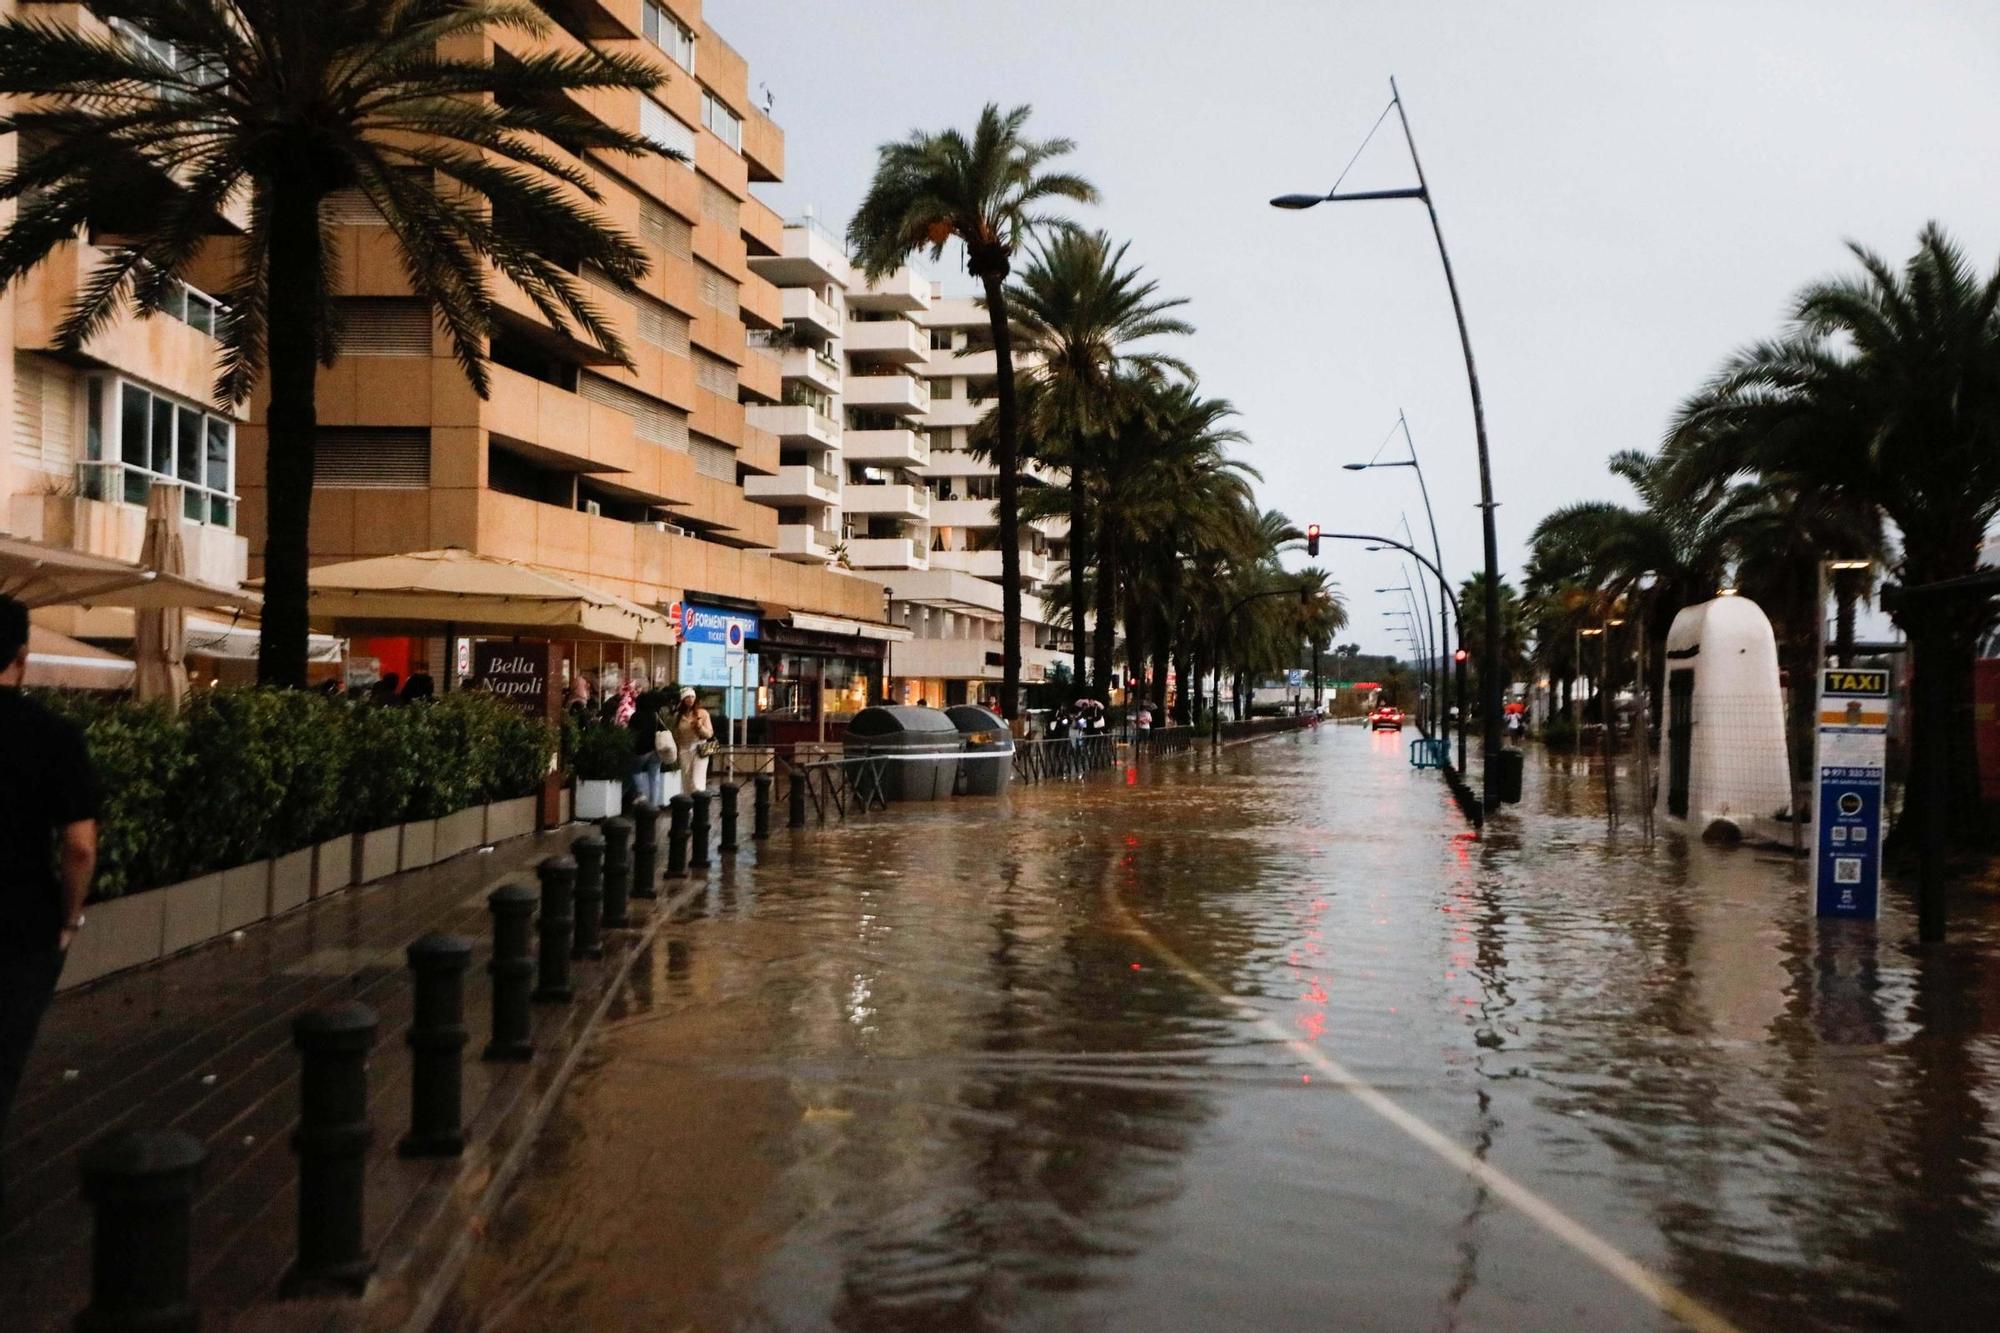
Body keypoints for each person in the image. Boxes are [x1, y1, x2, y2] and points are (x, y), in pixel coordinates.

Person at [0, 594, 99, 1192]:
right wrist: (69, 917)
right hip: (21, 923)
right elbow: (80, 846)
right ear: (22, 655)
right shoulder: (53, 736)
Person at [672, 687, 714, 797]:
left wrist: (699, 727)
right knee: (686, 780)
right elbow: (676, 735)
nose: (690, 699)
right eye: (687, 697)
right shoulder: (678, 716)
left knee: (697, 780)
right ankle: (688, 807)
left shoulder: (702, 713)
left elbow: (709, 734)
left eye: (692, 697)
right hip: (684, 749)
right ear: (683, 700)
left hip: (700, 748)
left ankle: (699, 807)